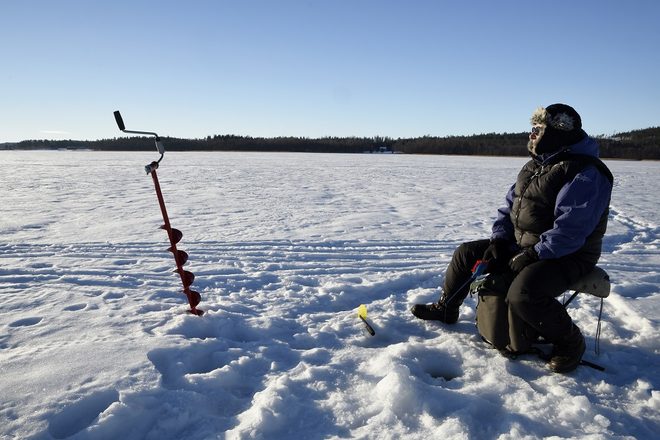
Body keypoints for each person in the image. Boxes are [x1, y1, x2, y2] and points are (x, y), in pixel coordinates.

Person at [411, 103, 613, 374]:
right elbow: (510, 209)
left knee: (524, 293)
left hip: (569, 254)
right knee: (467, 253)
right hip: (526, 244)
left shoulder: (586, 172)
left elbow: (571, 230)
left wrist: (533, 254)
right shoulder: (535, 166)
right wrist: (498, 241)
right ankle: (446, 308)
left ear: (556, 133)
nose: (531, 135)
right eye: (533, 129)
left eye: (538, 130)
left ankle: (570, 342)